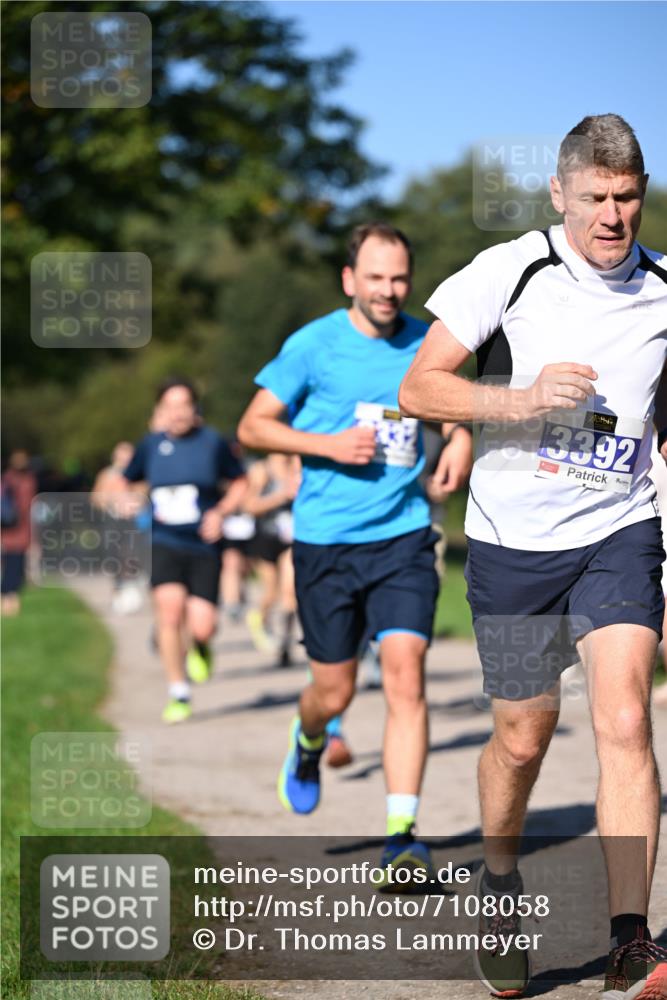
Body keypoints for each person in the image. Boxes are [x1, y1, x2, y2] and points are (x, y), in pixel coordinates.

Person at [399, 114, 667, 998]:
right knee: (522, 738)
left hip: (618, 532)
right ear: (559, 194)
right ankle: (499, 883)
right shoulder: (511, 269)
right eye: (593, 197)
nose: (611, 216)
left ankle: (630, 940)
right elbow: (418, 384)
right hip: (514, 544)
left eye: (626, 197)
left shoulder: (665, 287)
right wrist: (519, 399)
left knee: (625, 718)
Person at [238, 222, 472, 882]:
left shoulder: (426, 341)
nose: (388, 290)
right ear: (349, 280)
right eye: (375, 277)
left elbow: (448, 406)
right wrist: (328, 446)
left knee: (405, 671)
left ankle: (401, 834)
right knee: (332, 690)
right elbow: (252, 425)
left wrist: (457, 439)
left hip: (401, 538)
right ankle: (308, 737)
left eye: (399, 277)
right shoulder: (312, 346)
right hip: (325, 545)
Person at [123, 378, 247, 723]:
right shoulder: (149, 446)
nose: (177, 413)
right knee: (169, 613)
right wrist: (131, 500)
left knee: (203, 625)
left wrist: (221, 513)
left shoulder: (213, 443)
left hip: (204, 544)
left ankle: (202, 645)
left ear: (195, 409)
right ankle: (179, 692)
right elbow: (126, 480)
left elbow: (240, 481)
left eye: (184, 405)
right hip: (164, 541)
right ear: (160, 411)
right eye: (170, 406)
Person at [243, 452, 300, 666]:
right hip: (265, 538)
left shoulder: (299, 464)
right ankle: (261, 617)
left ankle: (286, 641)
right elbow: (249, 506)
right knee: (271, 592)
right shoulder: (261, 470)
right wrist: (281, 496)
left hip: (292, 538)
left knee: (290, 590)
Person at [1, 450, 37, 616]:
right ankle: (8, 601)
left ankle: (9, 600)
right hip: (15, 530)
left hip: (12, 530)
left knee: (13, 566)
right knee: (13, 566)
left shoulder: (7, 480)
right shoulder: (24, 481)